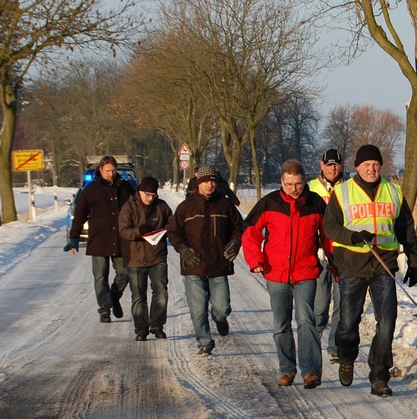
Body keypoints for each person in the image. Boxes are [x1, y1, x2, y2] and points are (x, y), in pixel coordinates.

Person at [323, 144, 417, 397]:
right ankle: (346, 357)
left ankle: (379, 376)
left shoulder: (394, 192)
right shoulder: (343, 192)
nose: (371, 169)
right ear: (357, 167)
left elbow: (406, 228)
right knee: (346, 324)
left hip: (383, 265)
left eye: (376, 165)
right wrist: (353, 236)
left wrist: (414, 259)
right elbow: (330, 227)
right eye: (366, 165)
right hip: (351, 264)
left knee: (386, 323)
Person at [242, 160, 327, 389]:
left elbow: (328, 235)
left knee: (307, 320)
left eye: (298, 184)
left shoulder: (315, 203)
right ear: (281, 182)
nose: (293, 189)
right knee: (281, 324)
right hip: (276, 273)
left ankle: (311, 372)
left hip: (305, 271)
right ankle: (287, 370)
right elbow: (250, 231)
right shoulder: (269, 203)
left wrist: (335, 260)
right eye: (289, 184)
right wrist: (256, 260)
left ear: (303, 181)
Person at [167, 164, 244, 356]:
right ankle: (204, 342)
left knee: (222, 307)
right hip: (194, 265)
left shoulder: (225, 205)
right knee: (197, 309)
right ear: (198, 183)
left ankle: (219, 319)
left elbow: (238, 226)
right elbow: (174, 233)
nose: (210, 185)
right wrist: (183, 249)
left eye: (213, 181)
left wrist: (235, 242)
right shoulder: (186, 207)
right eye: (206, 182)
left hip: (219, 264)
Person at [65, 155, 133, 323]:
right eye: (108, 171)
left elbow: (137, 210)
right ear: (101, 171)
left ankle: (113, 296)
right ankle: (104, 309)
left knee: (125, 272)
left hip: (120, 238)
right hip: (99, 239)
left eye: (113, 170)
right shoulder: (91, 190)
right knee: (100, 276)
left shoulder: (126, 188)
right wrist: (74, 238)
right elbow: (80, 214)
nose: (111, 173)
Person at [118, 176, 173, 341]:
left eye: (153, 195)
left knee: (161, 292)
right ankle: (141, 329)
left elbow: (173, 223)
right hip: (135, 258)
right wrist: (139, 231)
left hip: (157, 256)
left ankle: (157, 326)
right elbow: (123, 231)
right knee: (138, 296)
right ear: (140, 191)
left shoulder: (161, 206)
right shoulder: (128, 208)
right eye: (147, 195)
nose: (150, 198)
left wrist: (165, 230)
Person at [308, 148, 344, 365]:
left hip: (341, 253)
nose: (333, 168)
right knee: (321, 302)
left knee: (341, 302)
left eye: (336, 164)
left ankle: (335, 347)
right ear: (321, 165)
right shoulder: (311, 187)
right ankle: (319, 327)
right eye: (329, 164)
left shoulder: (349, 189)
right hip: (319, 253)